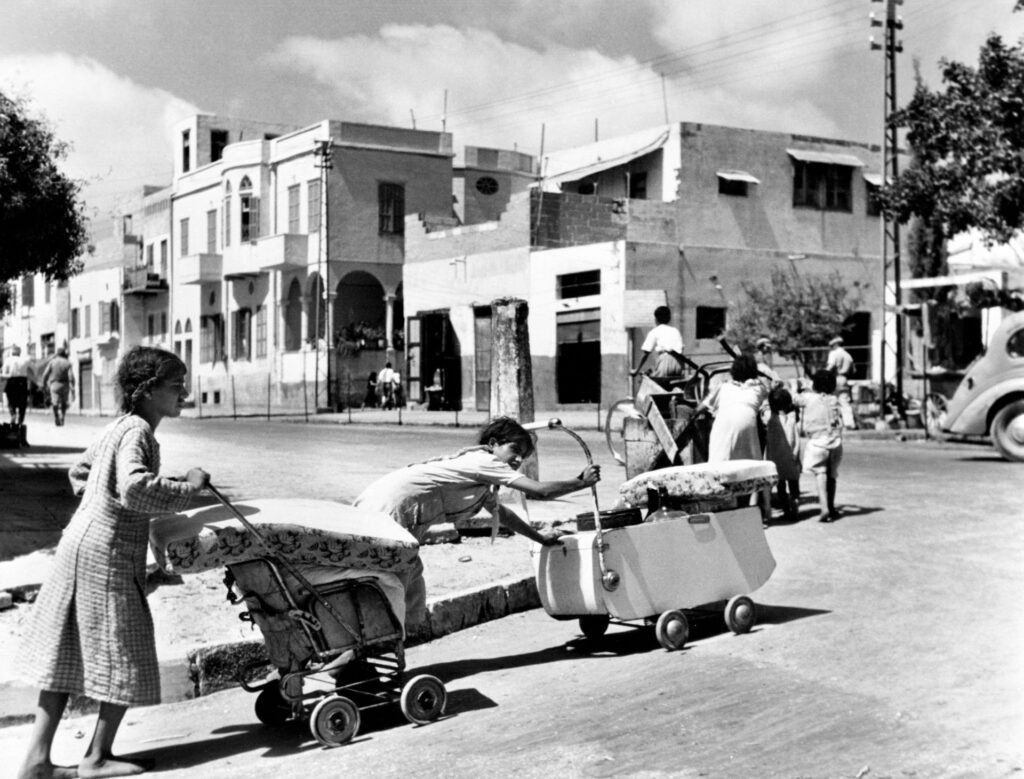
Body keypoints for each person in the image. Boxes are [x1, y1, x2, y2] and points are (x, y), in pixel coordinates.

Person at [16, 346, 210, 779]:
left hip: (79, 545)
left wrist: (103, 508)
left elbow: (80, 473)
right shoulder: (139, 431)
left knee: (68, 653)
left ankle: (36, 762)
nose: (185, 393)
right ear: (146, 390)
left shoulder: (117, 427)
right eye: (176, 386)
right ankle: (96, 757)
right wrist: (189, 489)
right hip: (106, 556)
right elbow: (136, 488)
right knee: (129, 649)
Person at [354, 416, 601, 629]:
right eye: (514, 450)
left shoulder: (479, 472)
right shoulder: (486, 462)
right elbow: (539, 491)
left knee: (410, 583)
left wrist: (540, 538)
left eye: (522, 457)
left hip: (392, 510)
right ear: (493, 444)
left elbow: (502, 515)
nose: (517, 461)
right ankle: (355, 658)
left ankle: (389, 644)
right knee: (389, 585)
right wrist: (581, 482)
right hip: (390, 510)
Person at [696, 353, 771, 521]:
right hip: (748, 428)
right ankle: (750, 510)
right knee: (748, 470)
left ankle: (724, 509)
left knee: (719, 467)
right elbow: (768, 396)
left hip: (723, 426)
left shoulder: (723, 387)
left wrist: (693, 413)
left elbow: (702, 407)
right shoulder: (759, 388)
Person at [794, 369, 843, 523]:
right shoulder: (834, 399)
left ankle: (824, 507)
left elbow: (794, 398)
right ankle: (831, 506)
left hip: (817, 442)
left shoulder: (808, 398)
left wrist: (797, 386)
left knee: (820, 474)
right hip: (835, 442)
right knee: (832, 475)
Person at [765, 385, 801, 523]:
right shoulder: (792, 419)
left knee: (781, 487)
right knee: (794, 485)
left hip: (776, 461)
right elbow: (797, 439)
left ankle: (786, 510)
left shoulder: (770, 419)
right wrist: (797, 454)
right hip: (791, 458)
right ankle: (795, 505)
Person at [631, 305, 686, 388]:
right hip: (680, 364)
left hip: (665, 362)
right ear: (669, 318)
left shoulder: (654, 332)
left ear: (656, 319)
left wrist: (636, 370)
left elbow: (646, 354)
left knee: (651, 383)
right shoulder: (675, 331)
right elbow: (681, 348)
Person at [826, 336, 856, 429]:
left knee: (832, 401)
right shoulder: (848, 355)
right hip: (844, 379)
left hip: (836, 378)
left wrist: (823, 374)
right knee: (844, 402)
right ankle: (849, 423)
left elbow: (831, 366)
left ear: (835, 345)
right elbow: (853, 370)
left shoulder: (834, 353)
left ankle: (834, 422)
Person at [40, 348, 75, 427]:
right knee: (64, 402)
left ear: (57, 354)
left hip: (54, 384)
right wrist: (72, 386)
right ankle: (62, 416)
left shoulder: (52, 362)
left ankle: (56, 416)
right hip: (65, 384)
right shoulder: (68, 363)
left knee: (54, 402)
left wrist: (44, 384)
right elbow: (71, 376)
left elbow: (45, 374)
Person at [2, 344, 33, 427]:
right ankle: (21, 420)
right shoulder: (25, 360)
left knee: (11, 401)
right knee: (22, 403)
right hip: (23, 382)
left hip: (12, 381)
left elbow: (5, 373)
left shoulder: (8, 360)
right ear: (19, 353)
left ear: (12, 352)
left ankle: (13, 414)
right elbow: (31, 371)